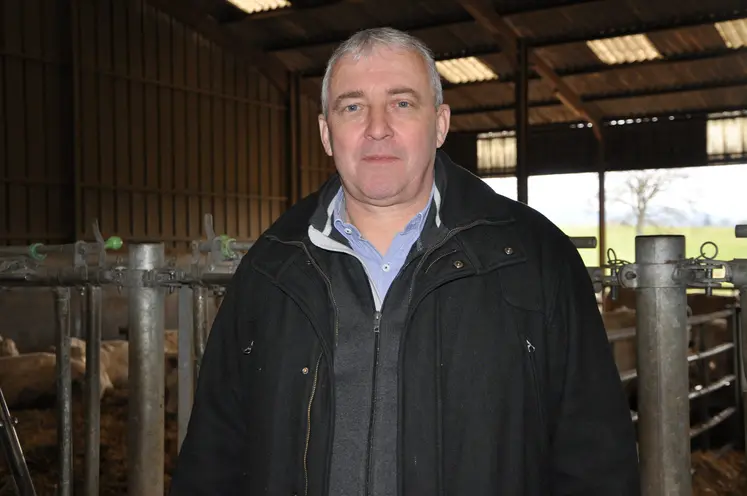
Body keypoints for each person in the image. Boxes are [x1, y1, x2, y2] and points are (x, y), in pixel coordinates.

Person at [169, 27, 640, 496]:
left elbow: (596, 459)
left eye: (402, 103)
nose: (377, 128)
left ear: (439, 124)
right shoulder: (271, 269)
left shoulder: (534, 259)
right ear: (326, 133)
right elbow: (214, 455)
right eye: (352, 107)